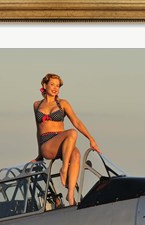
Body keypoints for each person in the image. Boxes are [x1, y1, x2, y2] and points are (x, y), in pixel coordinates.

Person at [32, 73, 100, 206]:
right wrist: (39, 155)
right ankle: (64, 169)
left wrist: (91, 139)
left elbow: (77, 122)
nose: (55, 88)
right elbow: (38, 129)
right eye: (52, 84)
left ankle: (70, 196)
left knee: (76, 154)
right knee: (72, 133)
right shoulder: (36, 105)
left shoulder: (63, 103)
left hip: (63, 142)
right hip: (47, 144)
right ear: (44, 86)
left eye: (58, 86)